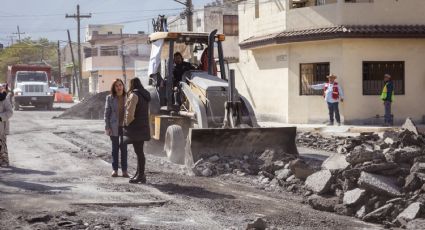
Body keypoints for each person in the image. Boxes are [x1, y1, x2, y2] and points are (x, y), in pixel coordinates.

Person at [123, 78, 151, 184]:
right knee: (140, 152)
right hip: (143, 126)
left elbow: (130, 114)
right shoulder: (145, 95)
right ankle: (139, 174)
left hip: (135, 128)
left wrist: (126, 124)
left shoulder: (134, 95)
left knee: (138, 152)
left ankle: (140, 175)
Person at [104, 79, 129, 177]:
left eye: (120, 85)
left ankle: (124, 171)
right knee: (115, 149)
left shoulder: (128, 97)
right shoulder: (110, 98)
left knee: (124, 149)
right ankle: (115, 170)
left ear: (123, 86)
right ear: (114, 88)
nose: (119, 87)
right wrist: (107, 127)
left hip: (125, 127)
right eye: (116, 86)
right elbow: (106, 114)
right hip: (114, 126)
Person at [0, 84, 13, 167]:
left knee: (2, 145)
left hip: (1, 127)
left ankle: (4, 161)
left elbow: (10, 112)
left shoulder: (4, 99)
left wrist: (0, 117)